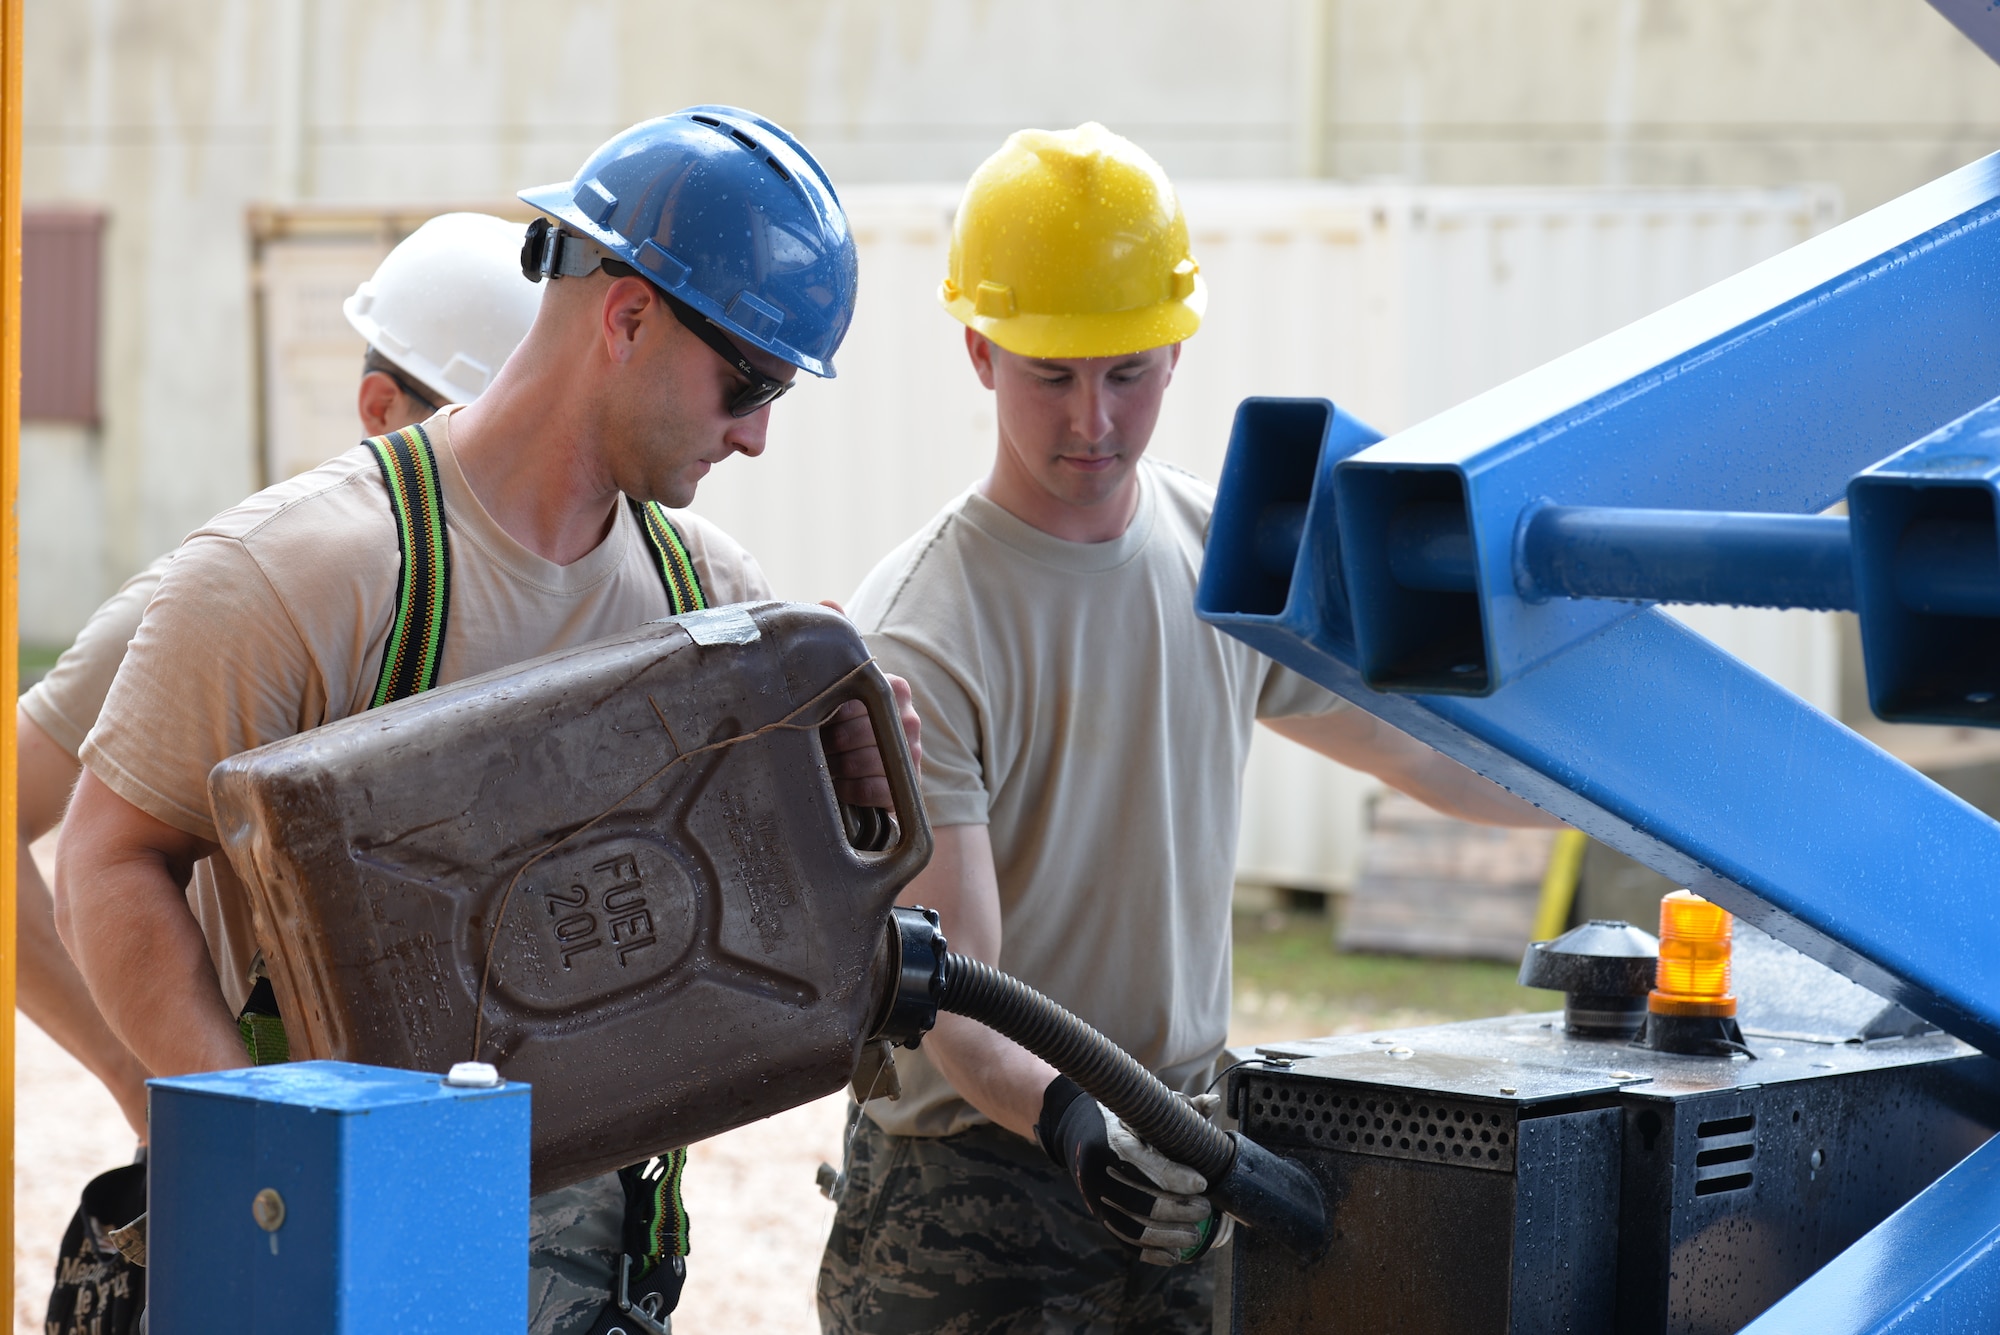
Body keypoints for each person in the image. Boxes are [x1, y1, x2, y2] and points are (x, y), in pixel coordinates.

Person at [55, 108, 915, 1335]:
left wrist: (850, 801)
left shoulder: (710, 602)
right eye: (749, 381)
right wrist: (268, 1161)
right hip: (323, 1269)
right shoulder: (303, 573)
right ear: (624, 318)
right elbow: (106, 859)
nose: (758, 433)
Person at [817, 122, 1559, 1333]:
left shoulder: (1222, 561)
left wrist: (1633, 792)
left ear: (1175, 348)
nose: (1092, 420)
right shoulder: (921, 630)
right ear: (978, 351)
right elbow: (955, 992)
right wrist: (1076, 1122)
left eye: (1127, 372)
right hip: (975, 1194)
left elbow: (1424, 751)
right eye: (1050, 376)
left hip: (1182, 1147)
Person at [19, 210, 541, 1138]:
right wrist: (149, 1079)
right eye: (475, 420)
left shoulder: (597, 581)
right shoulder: (241, 596)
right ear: (382, 410)